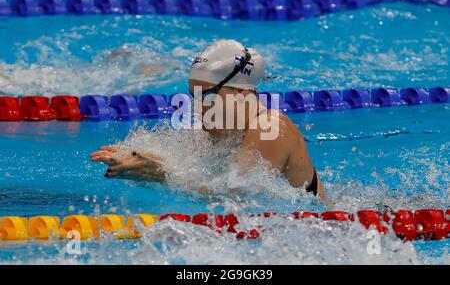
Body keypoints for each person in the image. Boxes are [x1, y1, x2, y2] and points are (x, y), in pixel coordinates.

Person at [91, 39, 328, 202]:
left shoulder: (271, 128)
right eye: (194, 96)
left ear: (242, 93)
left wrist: (160, 174)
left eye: (209, 95)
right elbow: (196, 174)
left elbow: (238, 195)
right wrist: (142, 161)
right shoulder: (220, 128)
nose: (199, 106)